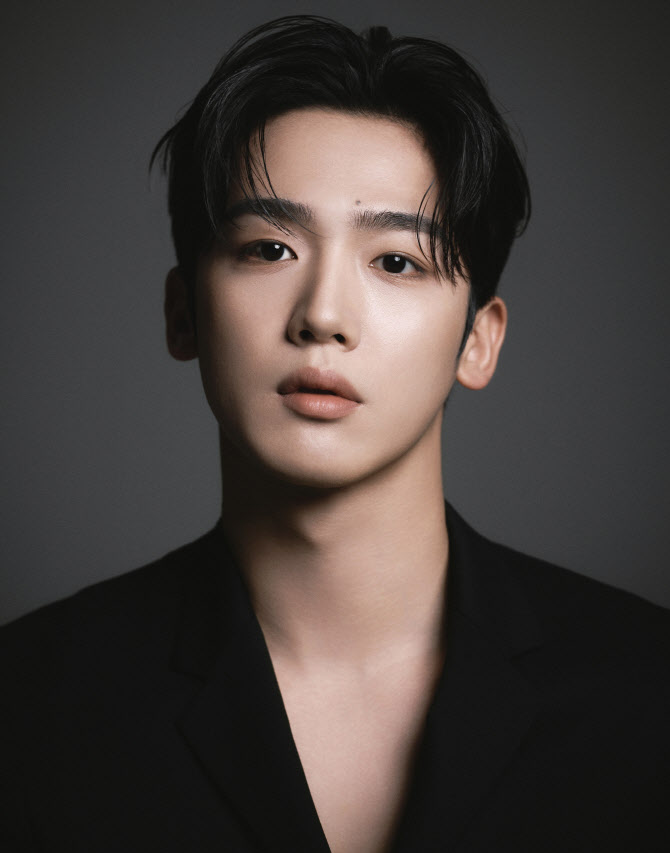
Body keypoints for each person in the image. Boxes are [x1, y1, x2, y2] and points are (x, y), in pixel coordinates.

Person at [1, 15, 668, 853]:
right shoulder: (31, 704)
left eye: (396, 261)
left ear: (479, 339)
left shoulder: (646, 693)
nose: (322, 315)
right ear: (182, 313)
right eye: (269, 248)